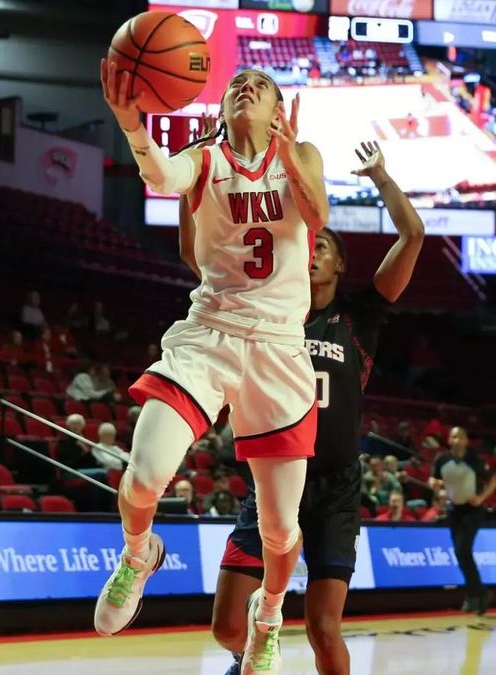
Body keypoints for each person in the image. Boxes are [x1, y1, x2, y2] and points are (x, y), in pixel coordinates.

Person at [97, 61, 330, 675]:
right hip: (208, 337)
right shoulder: (204, 157)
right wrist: (133, 128)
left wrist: (287, 148)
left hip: (280, 349)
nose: (243, 87)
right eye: (234, 85)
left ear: (278, 108)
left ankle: (270, 615)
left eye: (258, 85)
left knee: (281, 531)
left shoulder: (301, 152)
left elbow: (317, 216)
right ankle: (138, 554)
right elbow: (161, 174)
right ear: (221, 108)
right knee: (144, 477)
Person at [211, 139, 423, 675]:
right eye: (308, 242)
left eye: (324, 244)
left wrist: (380, 177)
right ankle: (253, 648)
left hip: (335, 487)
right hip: (273, 479)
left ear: (340, 265)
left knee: (325, 629)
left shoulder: (361, 317)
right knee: (226, 627)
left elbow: (413, 235)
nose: (313, 250)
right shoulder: (268, 311)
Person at [430, 427, 496, 616]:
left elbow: (493, 480)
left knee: (463, 550)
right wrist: (436, 487)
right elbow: (433, 479)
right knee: (461, 555)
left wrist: (481, 497)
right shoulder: (442, 460)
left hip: (473, 510)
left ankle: (479, 593)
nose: (456, 439)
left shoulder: (474, 460)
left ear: (467, 440)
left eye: (460, 436)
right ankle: (475, 594)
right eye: (453, 436)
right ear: (449, 440)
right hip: (454, 510)